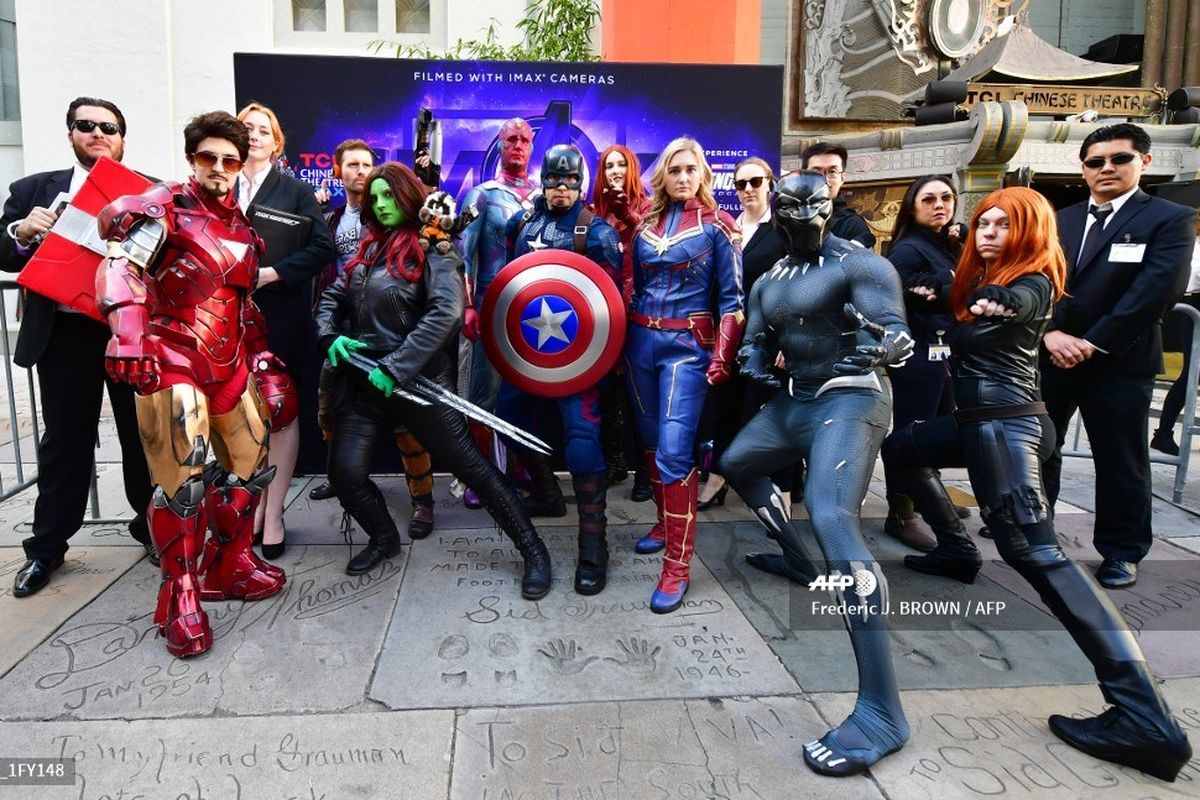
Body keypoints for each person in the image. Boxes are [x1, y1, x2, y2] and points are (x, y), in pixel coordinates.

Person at [883, 186, 1192, 782]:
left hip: (1005, 429)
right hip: (977, 423)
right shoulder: (983, 276)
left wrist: (998, 300)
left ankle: (1144, 716)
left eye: (1005, 224)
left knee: (1037, 553)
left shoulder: (1031, 280)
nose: (990, 232)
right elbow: (973, 306)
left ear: (1028, 230)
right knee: (899, 449)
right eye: (986, 223)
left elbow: (1022, 301)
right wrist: (945, 298)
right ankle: (955, 548)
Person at [720, 171, 914, 776]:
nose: (804, 214)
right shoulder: (771, 278)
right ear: (776, 211)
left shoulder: (860, 264)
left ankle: (883, 709)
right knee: (736, 464)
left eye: (815, 203)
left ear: (831, 205)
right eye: (792, 206)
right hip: (794, 400)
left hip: (850, 397)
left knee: (834, 518)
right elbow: (753, 339)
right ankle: (801, 563)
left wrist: (886, 345)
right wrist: (754, 358)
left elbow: (896, 329)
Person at [95, 110, 287, 657]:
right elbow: (120, 268)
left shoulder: (243, 227)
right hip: (171, 356)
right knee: (182, 485)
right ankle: (180, 592)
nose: (221, 168)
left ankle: (232, 562)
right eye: (210, 158)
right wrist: (128, 335)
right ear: (192, 160)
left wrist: (264, 359)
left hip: (227, 363)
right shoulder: (166, 208)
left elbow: (242, 306)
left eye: (231, 158)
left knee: (252, 459)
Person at [313, 163, 552, 598]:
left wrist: (396, 367)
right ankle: (384, 538)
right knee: (345, 473)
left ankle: (534, 551)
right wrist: (330, 336)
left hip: (420, 385)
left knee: (475, 470)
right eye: (375, 197)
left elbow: (446, 313)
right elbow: (332, 296)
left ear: (407, 197)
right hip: (364, 383)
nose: (382, 205)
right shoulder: (366, 252)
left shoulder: (435, 249)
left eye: (390, 196)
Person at [1, 96, 155, 597]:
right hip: (64, 335)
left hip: (126, 333)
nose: (97, 133)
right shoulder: (32, 190)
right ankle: (47, 548)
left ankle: (152, 528)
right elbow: (3, 250)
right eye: (85, 125)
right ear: (70, 133)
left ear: (122, 138)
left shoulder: (147, 192)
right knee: (65, 442)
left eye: (108, 126)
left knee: (141, 439)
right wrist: (21, 233)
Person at [1041, 123, 1196, 589]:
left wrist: (1091, 343)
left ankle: (1121, 551)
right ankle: (1032, 526)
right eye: (1095, 162)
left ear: (1143, 162)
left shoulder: (1169, 218)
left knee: (1121, 460)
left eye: (1118, 159)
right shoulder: (1060, 219)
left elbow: (1157, 290)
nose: (1106, 168)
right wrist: (1050, 334)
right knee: (1040, 446)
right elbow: (1037, 279)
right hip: (1053, 354)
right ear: (1083, 169)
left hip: (1119, 360)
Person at [495, 144, 623, 594]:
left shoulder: (598, 234)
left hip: (580, 363)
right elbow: (510, 285)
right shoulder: (523, 223)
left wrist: (599, 364)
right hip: (528, 354)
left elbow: (612, 309)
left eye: (569, 182)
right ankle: (548, 494)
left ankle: (594, 544)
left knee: (583, 445)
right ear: (543, 180)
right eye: (553, 180)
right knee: (507, 424)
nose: (561, 189)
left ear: (581, 184)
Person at [625, 136, 744, 613]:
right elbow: (632, 287)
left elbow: (733, 301)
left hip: (685, 350)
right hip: (640, 344)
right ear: (663, 175)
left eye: (690, 169)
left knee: (675, 454)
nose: (682, 177)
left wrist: (723, 354)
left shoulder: (719, 226)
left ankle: (677, 565)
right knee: (652, 444)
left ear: (703, 175)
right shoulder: (646, 225)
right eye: (674, 169)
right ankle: (663, 522)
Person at [307, 138, 437, 540]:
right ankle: (342, 476)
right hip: (348, 331)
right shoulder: (331, 219)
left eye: (367, 164)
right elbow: (332, 284)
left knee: (407, 426)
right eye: (352, 165)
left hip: (392, 334)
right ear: (339, 170)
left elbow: (438, 306)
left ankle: (423, 500)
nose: (360, 172)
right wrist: (328, 333)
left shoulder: (413, 233)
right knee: (331, 412)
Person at [235, 102, 335, 560]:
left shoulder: (294, 191)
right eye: (245, 128)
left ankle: (273, 512)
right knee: (235, 417)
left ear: (277, 144)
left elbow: (321, 247)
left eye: (262, 130)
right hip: (219, 322)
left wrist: (273, 274)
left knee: (281, 413)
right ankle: (246, 509)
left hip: (279, 318)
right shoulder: (212, 188)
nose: (253, 135)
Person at [698, 157, 789, 514]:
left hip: (770, 338)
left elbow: (793, 288)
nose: (748, 189)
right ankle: (717, 479)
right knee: (725, 411)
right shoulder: (728, 228)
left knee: (775, 414)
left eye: (755, 181)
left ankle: (780, 493)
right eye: (741, 184)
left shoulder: (782, 230)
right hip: (731, 336)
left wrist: (786, 340)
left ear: (770, 183)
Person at [879, 175, 964, 550]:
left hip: (944, 354)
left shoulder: (946, 244)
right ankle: (901, 511)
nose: (939, 205)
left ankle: (928, 497)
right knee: (912, 434)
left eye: (946, 197)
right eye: (928, 199)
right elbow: (896, 299)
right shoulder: (908, 250)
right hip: (918, 355)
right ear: (913, 206)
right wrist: (942, 292)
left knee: (935, 430)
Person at [459, 118, 538, 509]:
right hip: (490, 304)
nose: (519, 145)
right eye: (512, 139)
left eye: (525, 139)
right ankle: (482, 475)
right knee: (483, 392)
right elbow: (463, 255)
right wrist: (468, 305)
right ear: (500, 144)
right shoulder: (483, 195)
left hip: (533, 311)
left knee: (523, 390)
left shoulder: (544, 196)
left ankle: (520, 464)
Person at [591, 144, 652, 501]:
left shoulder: (648, 207)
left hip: (639, 311)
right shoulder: (595, 213)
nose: (614, 170)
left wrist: (628, 215)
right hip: (603, 313)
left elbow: (656, 247)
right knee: (606, 394)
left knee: (638, 396)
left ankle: (644, 472)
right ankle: (615, 463)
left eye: (621, 164)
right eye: (608, 165)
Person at [1151, 216, 1200, 456]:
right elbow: (1193, 278)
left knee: (1193, 374)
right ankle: (1163, 432)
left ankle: (1164, 432)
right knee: (1193, 373)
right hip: (1195, 308)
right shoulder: (1194, 242)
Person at [800, 142, 876, 249]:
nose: (824, 180)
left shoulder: (853, 226)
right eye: (816, 172)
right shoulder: (785, 218)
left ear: (842, 178)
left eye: (832, 172)